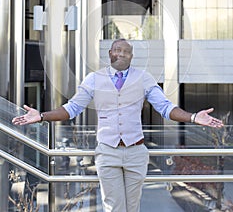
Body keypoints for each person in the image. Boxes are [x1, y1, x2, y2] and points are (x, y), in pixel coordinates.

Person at [12, 38, 223, 212]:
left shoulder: (144, 78)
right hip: (107, 151)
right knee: (113, 207)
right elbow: (72, 108)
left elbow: (166, 108)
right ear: (110, 54)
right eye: (117, 50)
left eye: (126, 51)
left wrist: (193, 117)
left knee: (132, 207)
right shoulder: (94, 79)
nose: (121, 54)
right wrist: (41, 116)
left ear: (131, 56)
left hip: (136, 152)